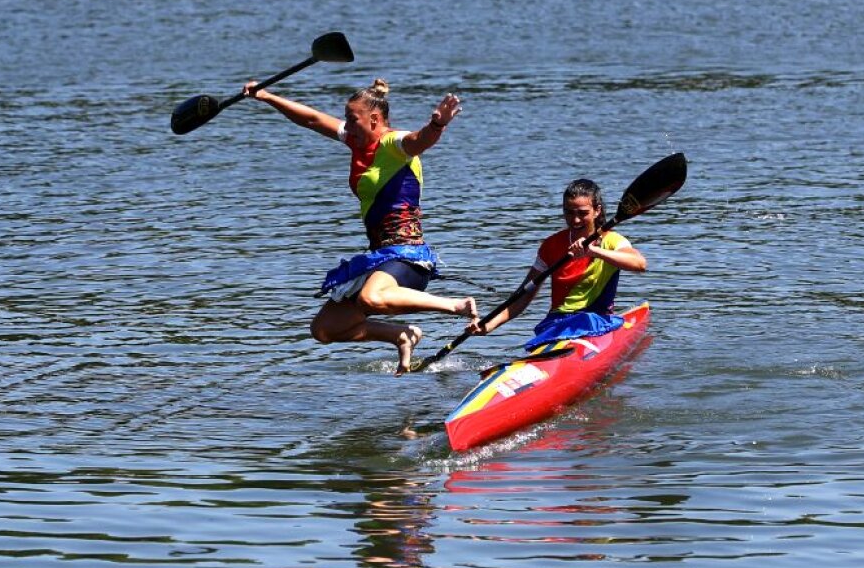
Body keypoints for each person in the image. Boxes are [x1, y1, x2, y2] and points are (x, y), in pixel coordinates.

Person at [242, 77, 478, 374]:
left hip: (408, 258)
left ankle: (456, 306)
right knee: (325, 329)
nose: (347, 126)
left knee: (370, 297)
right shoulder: (356, 141)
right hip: (380, 258)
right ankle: (401, 335)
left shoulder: (394, 143)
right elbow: (313, 119)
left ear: (374, 119)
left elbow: (420, 141)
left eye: (352, 120)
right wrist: (266, 97)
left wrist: (437, 125)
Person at [466, 179, 646, 348]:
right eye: (569, 212)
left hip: (594, 322)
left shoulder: (611, 241)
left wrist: (593, 251)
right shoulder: (551, 245)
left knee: (585, 321)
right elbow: (523, 295)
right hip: (556, 325)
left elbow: (639, 264)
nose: (575, 220)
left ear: (597, 210)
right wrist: (489, 325)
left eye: (582, 213)